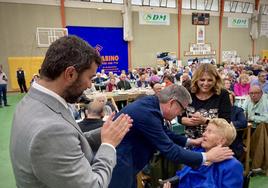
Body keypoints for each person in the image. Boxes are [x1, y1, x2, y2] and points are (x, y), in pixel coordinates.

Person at [10, 35, 132, 188]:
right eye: (90, 77)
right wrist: (108, 145)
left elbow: (68, 143)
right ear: (70, 74)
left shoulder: (31, 102)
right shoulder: (50, 130)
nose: (89, 85)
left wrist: (103, 134)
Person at [108, 84, 234, 188]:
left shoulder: (151, 104)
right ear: (172, 103)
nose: (181, 114)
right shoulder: (147, 113)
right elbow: (170, 151)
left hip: (126, 162)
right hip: (120, 166)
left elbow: (164, 132)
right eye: (182, 109)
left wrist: (191, 141)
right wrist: (207, 156)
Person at [164, 118, 243, 188]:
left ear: (221, 141)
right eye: (205, 130)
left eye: (209, 132)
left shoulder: (232, 166)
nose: (203, 134)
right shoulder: (198, 153)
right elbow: (184, 177)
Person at [178, 63, 231, 139]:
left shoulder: (222, 94)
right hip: (191, 142)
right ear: (196, 80)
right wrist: (194, 121)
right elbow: (180, 118)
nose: (205, 83)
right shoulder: (188, 92)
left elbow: (226, 122)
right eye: (202, 80)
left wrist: (204, 121)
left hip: (214, 142)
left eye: (210, 80)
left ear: (216, 80)